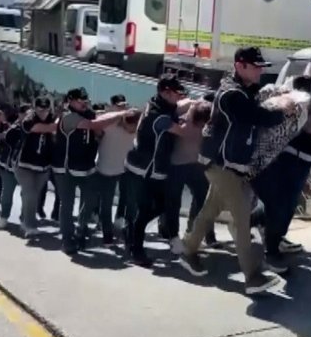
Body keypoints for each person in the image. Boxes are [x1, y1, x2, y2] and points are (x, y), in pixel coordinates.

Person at [179, 46, 294, 295]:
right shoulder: (232, 95)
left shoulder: (241, 90)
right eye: (256, 67)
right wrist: (284, 109)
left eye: (261, 67)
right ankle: (252, 276)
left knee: (210, 210)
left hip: (226, 163)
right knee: (242, 219)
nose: (260, 71)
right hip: (221, 165)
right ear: (240, 66)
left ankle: (188, 250)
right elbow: (259, 117)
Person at [252, 51, 311, 261]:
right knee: (276, 199)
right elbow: (280, 100)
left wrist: (303, 103)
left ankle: (275, 236)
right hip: (284, 150)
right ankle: (267, 235)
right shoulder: (297, 82)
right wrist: (298, 99)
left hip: (306, 156)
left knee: (290, 201)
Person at [250, 99, 311, 273]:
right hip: (275, 168)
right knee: (278, 207)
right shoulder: (291, 125)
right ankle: (270, 251)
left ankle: (266, 231)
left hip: (299, 170)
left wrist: (305, 180)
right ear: (309, 118)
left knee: (289, 207)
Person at [54, 87, 135, 255]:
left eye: (85, 100)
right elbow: (93, 125)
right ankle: (67, 240)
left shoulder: (89, 114)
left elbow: (98, 129)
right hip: (66, 169)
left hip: (87, 168)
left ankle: (81, 231)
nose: (84, 103)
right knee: (67, 205)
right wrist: (121, 114)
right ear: (70, 101)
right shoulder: (68, 117)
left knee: (91, 201)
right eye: (79, 101)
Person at [124, 75, 191, 266]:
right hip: (144, 170)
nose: (179, 96)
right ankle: (136, 249)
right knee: (145, 211)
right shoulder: (158, 116)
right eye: (176, 93)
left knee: (159, 206)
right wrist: (192, 116)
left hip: (150, 168)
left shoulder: (156, 103)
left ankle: (131, 234)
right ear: (165, 92)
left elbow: (178, 108)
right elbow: (183, 131)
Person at [159, 99, 216, 254]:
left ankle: (181, 235)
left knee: (184, 201)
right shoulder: (198, 126)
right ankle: (180, 235)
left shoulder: (187, 124)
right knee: (185, 201)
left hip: (185, 165)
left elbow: (166, 121)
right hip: (185, 166)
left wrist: (191, 106)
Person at [95, 94, 140, 247]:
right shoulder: (108, 123)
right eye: (119, 106)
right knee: (106, 203)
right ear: (112, 106)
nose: (123, 107)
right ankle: (107, 234)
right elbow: (96, 123)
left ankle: (126, 231)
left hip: (126, 168)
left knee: (130, 202)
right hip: (106, 168)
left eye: (124, 105)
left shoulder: (135, 122)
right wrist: (120, 114)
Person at [15, 97, 57, 238]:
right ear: (35, 109)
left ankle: (24, 219)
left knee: (33, 196)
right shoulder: (29, 119)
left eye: (46, 109)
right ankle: (30, 226)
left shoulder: (52, 118)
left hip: (42, 167)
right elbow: (38, 128)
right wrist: (56, 126)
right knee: (31, 194)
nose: (43, 112)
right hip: (24, 165)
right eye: (40, 109)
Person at [0, 103, 30, 229]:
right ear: (20, 114)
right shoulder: (15, 129)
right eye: (26, 114)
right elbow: (8, 140)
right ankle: (4, 217)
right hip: (10, 167)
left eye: (30, 114)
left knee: (27, 195)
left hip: (26, 168)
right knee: (7, 193)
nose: (28, 117)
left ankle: (24, 220)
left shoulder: (34, 129)